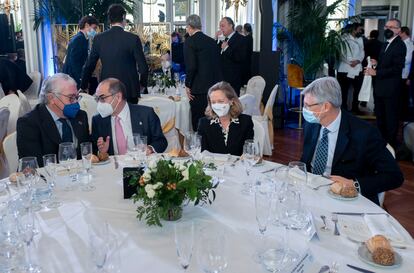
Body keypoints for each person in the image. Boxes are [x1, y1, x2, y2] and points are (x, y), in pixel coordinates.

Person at [300, 77, 404, 205]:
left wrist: (354, 184)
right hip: (311, 193)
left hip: (345, 200)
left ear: (326, 106)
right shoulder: (312, 124)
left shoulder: (364, 133)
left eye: (307, 105)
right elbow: (306, 161)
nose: (304, 109)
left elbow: (394, 176)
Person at [16, 73, 90, 167]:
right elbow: (33, 165)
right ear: (51, 98)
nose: (75, 102)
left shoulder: (81, 116)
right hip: (47, 178)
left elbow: (87, 152)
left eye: (76, 97)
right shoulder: (29, 123)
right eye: (71, 97)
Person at [81, 4, 148, 104]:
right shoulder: (133, 39)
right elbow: (143, 68)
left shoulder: (99, 39)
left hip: (106, 90)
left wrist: (83, 86)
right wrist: (142, 85)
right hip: (130, 90)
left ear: (109, 19)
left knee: (108, 118)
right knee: (130, 118)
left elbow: (89, 65)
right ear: (123, 17)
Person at [92, 78, 167, 156]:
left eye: (102, 98)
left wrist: (149, 149)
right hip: (113, 166)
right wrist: (101, 152)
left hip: (141, 164)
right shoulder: (98, 120)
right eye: (97, 99)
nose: (99, 103)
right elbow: (93, 151)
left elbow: (161, 141)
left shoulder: (146, 114)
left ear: (118, 97)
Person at [365, 18, 406, 148]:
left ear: (398, 30)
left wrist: (376, 73)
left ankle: (390, 146)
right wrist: (377, 64)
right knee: (380, 118)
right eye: (387, 26)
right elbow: (386, 64)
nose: (388, 29)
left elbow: (397, 68)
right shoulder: (385, 44)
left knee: (390, 119)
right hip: (381, 88)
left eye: (392, 27)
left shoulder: (400, 45)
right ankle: (381, 144)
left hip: (391, 89)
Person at [184, 14, 222, 131]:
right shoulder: (211, 41)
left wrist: (187, 85)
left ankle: (198, 147)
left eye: (186, 26)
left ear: (190, 26)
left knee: (198, 121)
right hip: (214, 87)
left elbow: (191, 67)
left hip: (198, 89)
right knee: (213, 119)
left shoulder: (190, 41)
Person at [197, 81, 254, 156]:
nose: (217, 105)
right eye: (213, 102)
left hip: (238, 166)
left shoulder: (245, 122)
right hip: (213, 166)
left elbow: (249, 151)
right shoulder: (204, 123)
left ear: (231, 101)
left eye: (220, 101)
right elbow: (202, 152)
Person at [63, 16, 98, 88]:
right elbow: (75, 62)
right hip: (73, 77)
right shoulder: (79, 39)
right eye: (94, 28)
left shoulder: (83, 38)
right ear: (87, 25)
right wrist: (81, 79)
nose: (95, 31)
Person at [337, 23, 364, 112]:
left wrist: (358, 61)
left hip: (357, 68)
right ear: (354, 30)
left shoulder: (360, 39)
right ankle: (343, 108)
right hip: (345, 68)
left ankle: (355, 108)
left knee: (357, 90)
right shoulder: (343, 38)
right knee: (344, 90)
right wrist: (349, 62)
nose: (361, 31)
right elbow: (341, 53)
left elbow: (362, 52)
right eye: (360, 29)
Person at [216, 17, 247, 95]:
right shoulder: (222, 40)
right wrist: (217, 40)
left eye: (223, 26)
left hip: (233, 79)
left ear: (231, 26)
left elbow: (240, 58)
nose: (220, 28)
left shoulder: (241, 39)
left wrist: (226, 48)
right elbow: (216, 55)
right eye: (220, 26)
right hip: (221, 78)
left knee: (232, 104)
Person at [399, 26, 413, 120]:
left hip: (405, 73)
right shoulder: (401, 43)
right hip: (400, 73)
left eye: (400, 32)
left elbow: (408, 59)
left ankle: (403, 115)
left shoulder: (410, 44)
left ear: (404, 33)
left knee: (404, 95)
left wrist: (396, 61)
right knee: (400, 95)